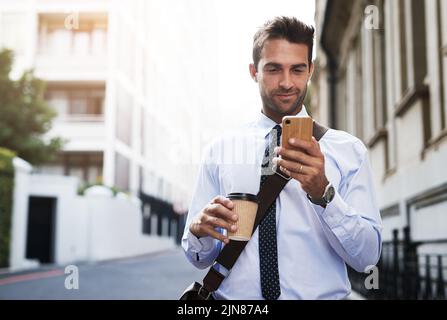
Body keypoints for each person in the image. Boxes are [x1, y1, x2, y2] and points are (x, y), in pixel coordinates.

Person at [182, 16, 382, 300]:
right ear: (254, 71)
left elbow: (367, 258)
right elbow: (199, 258)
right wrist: (199, 231)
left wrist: (324, 195)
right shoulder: (220, 150)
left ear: (311, 70)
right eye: (274, 69)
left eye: (297, 69)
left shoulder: (349, 152)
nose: (287, 82)